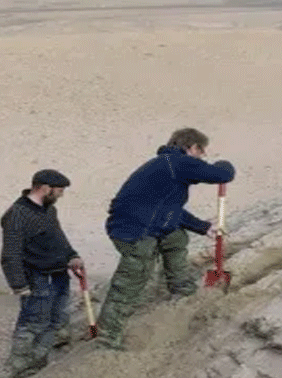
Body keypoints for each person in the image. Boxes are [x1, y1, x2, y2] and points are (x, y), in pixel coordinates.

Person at [93, 127, 235, 350]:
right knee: (133, 278)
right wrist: (224, 165)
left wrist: (203, 227)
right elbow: (222, 175)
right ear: (192, 147)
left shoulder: (165, 166)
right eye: (202, 151)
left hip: (143, 224)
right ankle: (107, 336)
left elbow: (170, 210)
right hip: (134, 231)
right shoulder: (177, 162)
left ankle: (181, 287)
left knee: (176, 238)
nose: (202, 157)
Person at [0, 168, 84, 378]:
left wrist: (72, 256)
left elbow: (58, 237)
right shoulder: (17, 214)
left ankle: (39, 363)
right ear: (45, 189)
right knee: (33, 323)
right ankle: (19, 366)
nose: (61, 195)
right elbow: (10, 252)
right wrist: (19, 284)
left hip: (58, 275)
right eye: (59, 190)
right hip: (36, 277)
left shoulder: (49, 210)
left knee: (57, 320)